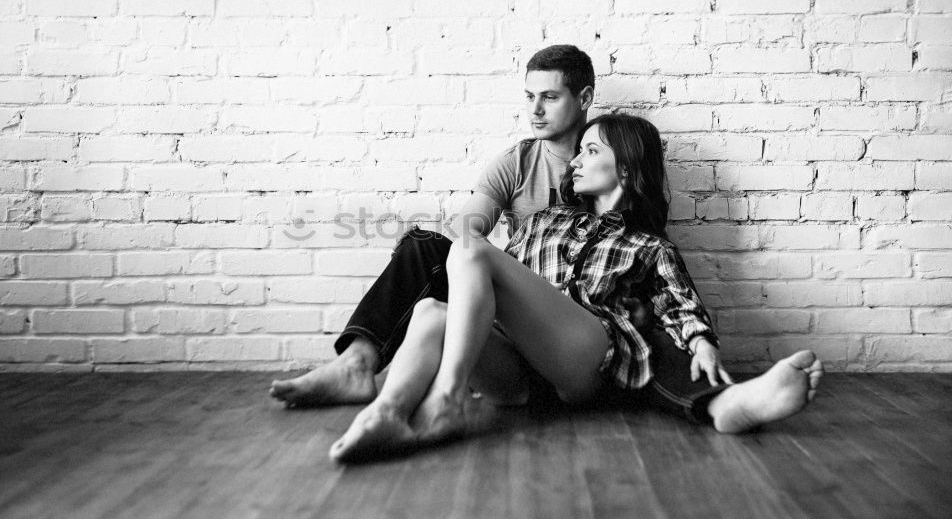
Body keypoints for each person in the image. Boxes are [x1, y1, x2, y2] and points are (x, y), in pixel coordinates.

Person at [328, 113, 824, 462]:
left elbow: (679, 302)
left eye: (591, 151)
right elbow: (498, 285)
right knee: (432, 310)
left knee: (469, 247)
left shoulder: (647, 245)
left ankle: (447, 401)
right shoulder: (543, 221)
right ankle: (388, 410)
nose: (576, 162)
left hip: (582, 359)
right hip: (519, 376)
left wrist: (701, 341)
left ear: (626, 168)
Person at [271, 45, 619, 407]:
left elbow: (639, 240)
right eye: (530, 96)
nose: (535, 109)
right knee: (425, 246)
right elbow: (461, 238)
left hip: (573, 326)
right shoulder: (517, 163)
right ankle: (357, 362)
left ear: (585, 98)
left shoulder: (610, 157)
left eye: (549, 97)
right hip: (513, 310)